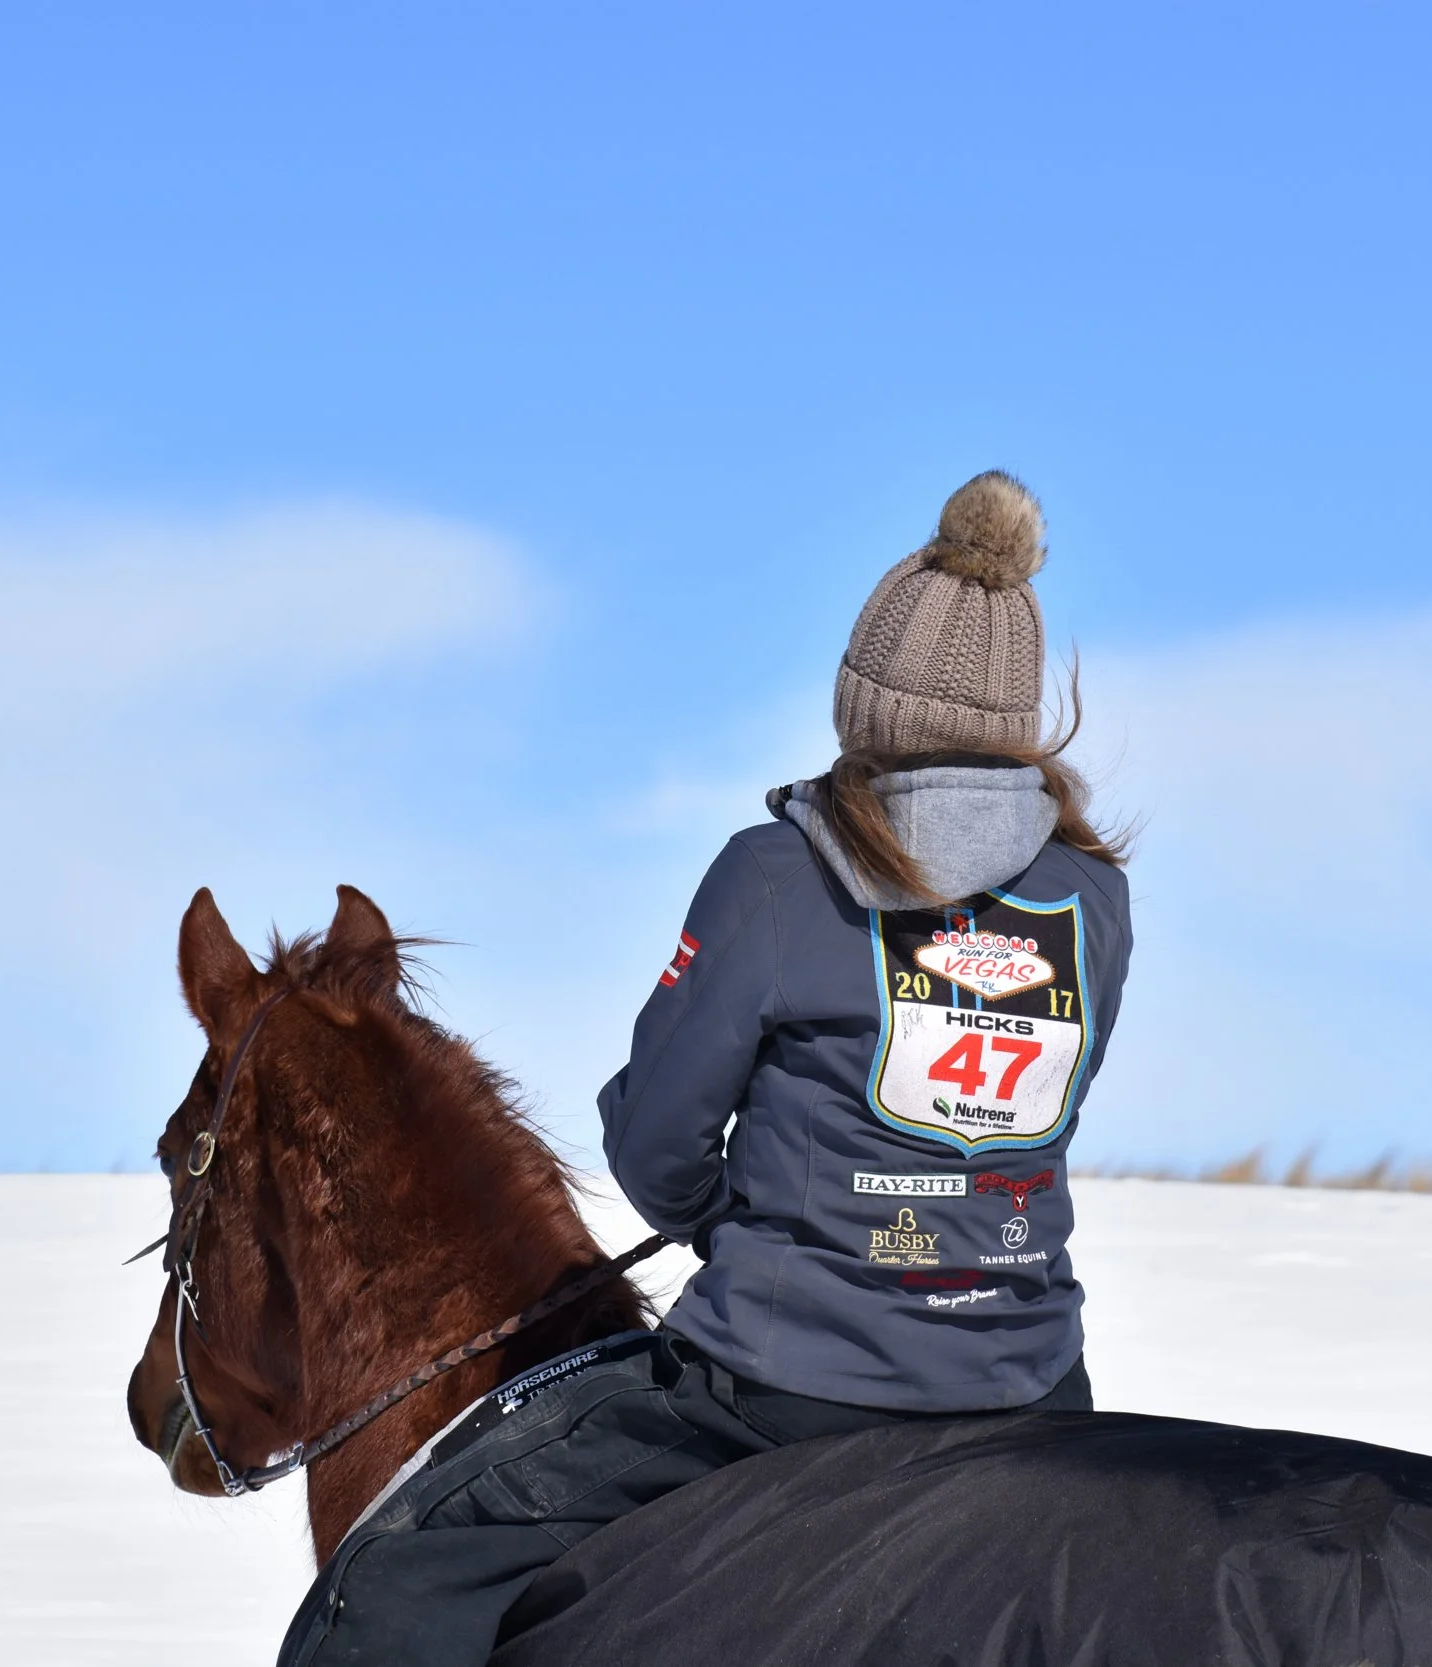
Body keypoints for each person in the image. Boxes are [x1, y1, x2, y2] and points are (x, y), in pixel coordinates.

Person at [277, 471, 1134, 1667]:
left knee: (401, 1570)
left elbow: (657, 1139)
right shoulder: (1092, 897)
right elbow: (1031, 1127)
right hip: (1030, 1380)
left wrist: (741, 1221)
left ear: (865, 701)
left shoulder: (774, 873)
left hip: (782, 1389)